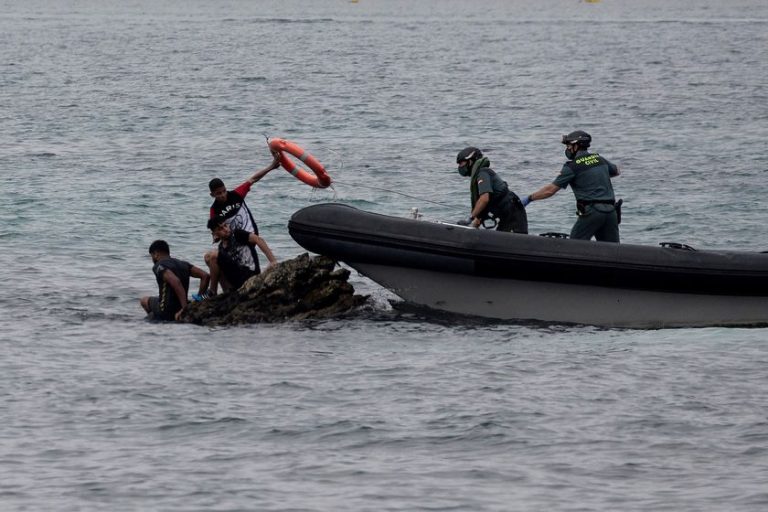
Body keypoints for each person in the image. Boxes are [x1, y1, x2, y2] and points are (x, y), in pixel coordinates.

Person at [521, 130, 621, 242]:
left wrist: (529, 198)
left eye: (569, 145)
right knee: (613, 250)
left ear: (576, 146)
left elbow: (550, 191)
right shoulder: (599, 159)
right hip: (611, 212)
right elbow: (616, 171)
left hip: (592, 212)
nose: (567, 149)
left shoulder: (572, 166)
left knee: (574, 246)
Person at [455, 146, 528, 233]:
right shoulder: (480, 175)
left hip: (513, 213)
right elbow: (481, 212)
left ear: (470, 161)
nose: (460, 166)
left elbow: (484, 199)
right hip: (506, 215)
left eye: (461, 163)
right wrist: (470, 229)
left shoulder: (482, 173)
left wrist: (469, 219)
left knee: (511, 241)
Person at [208, 151, 282, 235]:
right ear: (212, 195)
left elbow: (253, 179)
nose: (223, 195)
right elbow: (214, 230)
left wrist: (272, 166)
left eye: (224, 191)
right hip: (233, 240)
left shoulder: (236, 194)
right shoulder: (214, 210)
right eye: (218, 193)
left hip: (251, 232)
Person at [205, 215, 278, 294]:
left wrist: (273, 261)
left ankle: (212, 291)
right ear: (215, 233)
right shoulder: (221, 247)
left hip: (250, 273)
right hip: (236, 278)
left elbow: (258, 240)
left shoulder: (237, 234)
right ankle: (227, 291)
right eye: (220, 229)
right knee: (208, 258)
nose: (225, 230)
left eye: (225, 225)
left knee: (213, 256)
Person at [140, 240, 210, 321]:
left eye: (151, 256)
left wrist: (185, 309)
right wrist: (198, 299)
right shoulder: (183, 264)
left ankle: (157, 319)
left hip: (167, 310)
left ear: (156, 254)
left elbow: (176, 282)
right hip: (182, 305)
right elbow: (205, 276)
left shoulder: (159, 266)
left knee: (144, 300)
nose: (152, 259)